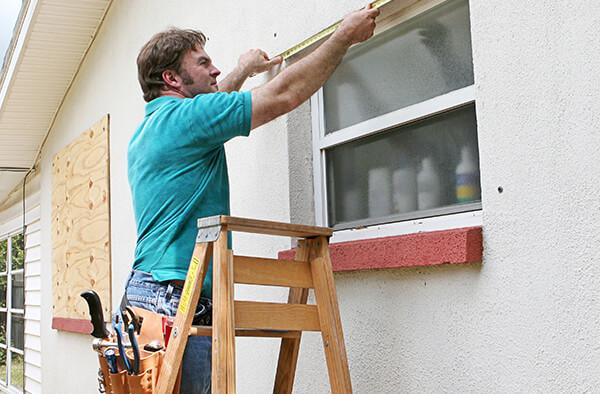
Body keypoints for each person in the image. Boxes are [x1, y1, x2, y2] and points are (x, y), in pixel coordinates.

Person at [125, 5, 379, 393]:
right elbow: (284, 94)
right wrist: (343, 36)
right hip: (176, 297)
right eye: (203, 63)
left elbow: (209, 110)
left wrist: (242, 71)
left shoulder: (152, 128)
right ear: (172, 77)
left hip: (146, 295)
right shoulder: (186, 121)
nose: (214, 70)